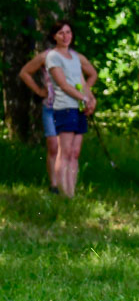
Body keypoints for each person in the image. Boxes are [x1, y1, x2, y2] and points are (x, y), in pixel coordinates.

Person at [45, 20, 98, 197]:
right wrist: (83, 97)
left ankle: (71, 192)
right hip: (64, 108)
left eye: (68, 32)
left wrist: (90, 99)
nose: (65, 36)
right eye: (61, 33)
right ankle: (63, 192)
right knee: (65, 150)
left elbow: (82, 82)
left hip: (78, 108)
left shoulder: (75, 57)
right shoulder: (53, 57)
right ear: (54, 36)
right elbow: (63, 85)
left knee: (75, 153)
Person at [17, 36, 58, 192]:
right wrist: (40, 91)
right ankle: (53, 184)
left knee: (67, 147)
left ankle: (66, 183)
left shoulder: (72, 57)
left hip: (69, 108)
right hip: (50, 106)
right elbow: (24, 72)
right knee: (53, 146)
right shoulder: (45, 56)